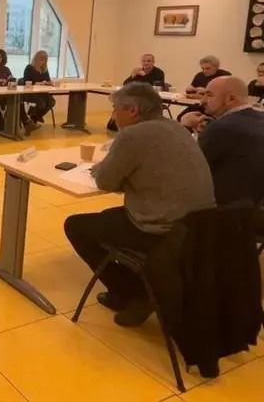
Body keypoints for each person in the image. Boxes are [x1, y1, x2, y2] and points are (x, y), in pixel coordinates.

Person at [64, 83, 215, 327]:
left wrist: (102, 168)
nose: (113, 115)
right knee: (108, 216)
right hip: (201, 226)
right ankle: (141, 288)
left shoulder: (132, 136)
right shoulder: (176, 128)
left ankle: (133, 292)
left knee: (76, 225)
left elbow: (106, 181)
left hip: (162, 229)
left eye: (115, 109)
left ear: (132, 110)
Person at [180, 77, 264, 206]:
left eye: (209, 95)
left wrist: (184, 127)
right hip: (254, 204)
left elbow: (188, 164)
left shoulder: (222, 127)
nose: (202, 101)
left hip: (224, 205)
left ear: (230, 99)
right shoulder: (259, 118)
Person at [20, 50, 55, 135]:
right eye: (41, 59)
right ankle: (32, 122)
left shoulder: (44, 69)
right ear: (36, 59)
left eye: (44, 60)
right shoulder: (29, 68)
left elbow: (47, 80)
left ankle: (32, 120)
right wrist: (38, 83)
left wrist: (49, 82)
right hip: (31, 93)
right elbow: (27, 82)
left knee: (52, 102)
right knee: (42, 104)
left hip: (42, 93)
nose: (42, 62)